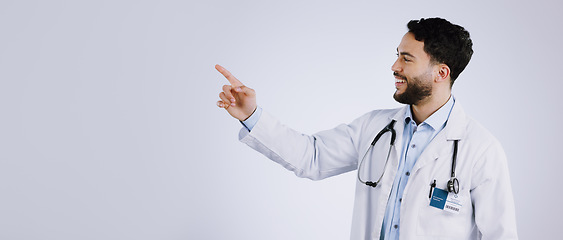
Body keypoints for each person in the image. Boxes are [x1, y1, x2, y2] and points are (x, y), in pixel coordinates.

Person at [215, 17, 517, 240]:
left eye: (406, 58)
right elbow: (312, 157)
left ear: (441, 73)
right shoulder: (375, 127)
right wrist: (252, 115)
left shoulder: (480, 150)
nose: (394, 66)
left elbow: (500, 235)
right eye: (397, 54)